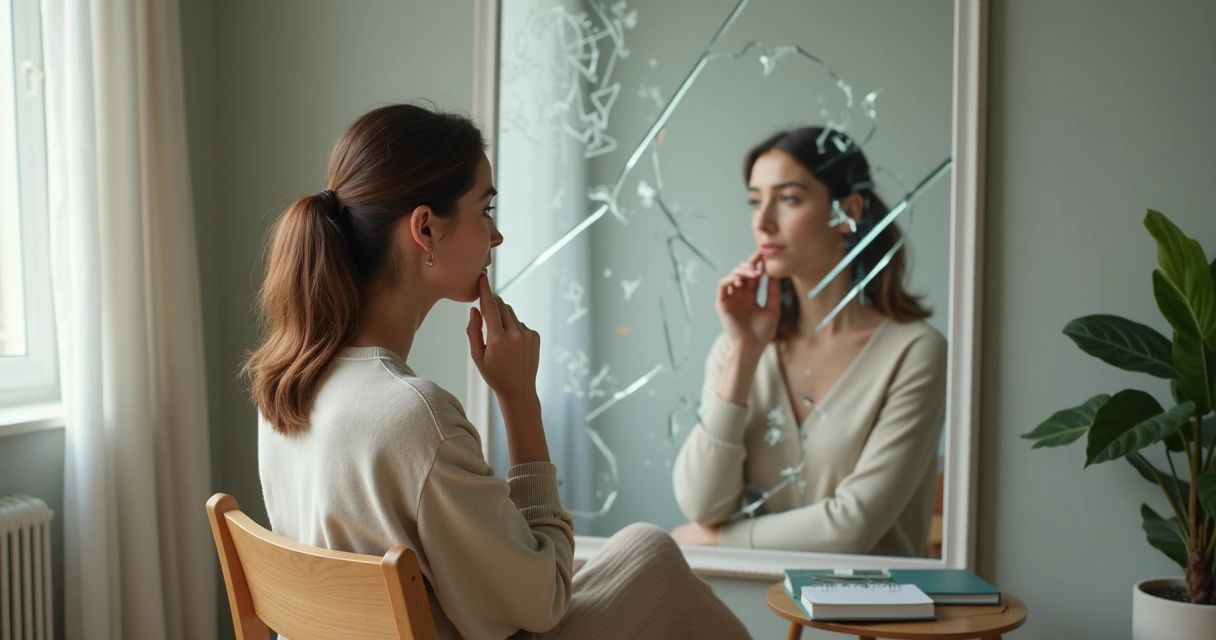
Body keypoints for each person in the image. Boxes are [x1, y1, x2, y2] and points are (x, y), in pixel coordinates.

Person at [244, 103, 750, 640]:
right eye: (485, 210)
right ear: (426, 229)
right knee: (654, 560)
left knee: (636, 552)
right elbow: (543, 603)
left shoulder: (286, 386)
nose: (497, 236)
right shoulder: (413, 417)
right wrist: (519, 401)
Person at [670, 127, 947, 557]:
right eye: (755, 200)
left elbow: (851, 527)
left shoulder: (914, 353)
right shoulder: (735, 349)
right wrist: (743, 356)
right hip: (749, 609)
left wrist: (716, 541)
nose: (762, 222)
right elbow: (702, 504)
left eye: (789, 198)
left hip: (869, 620)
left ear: (848, 212)